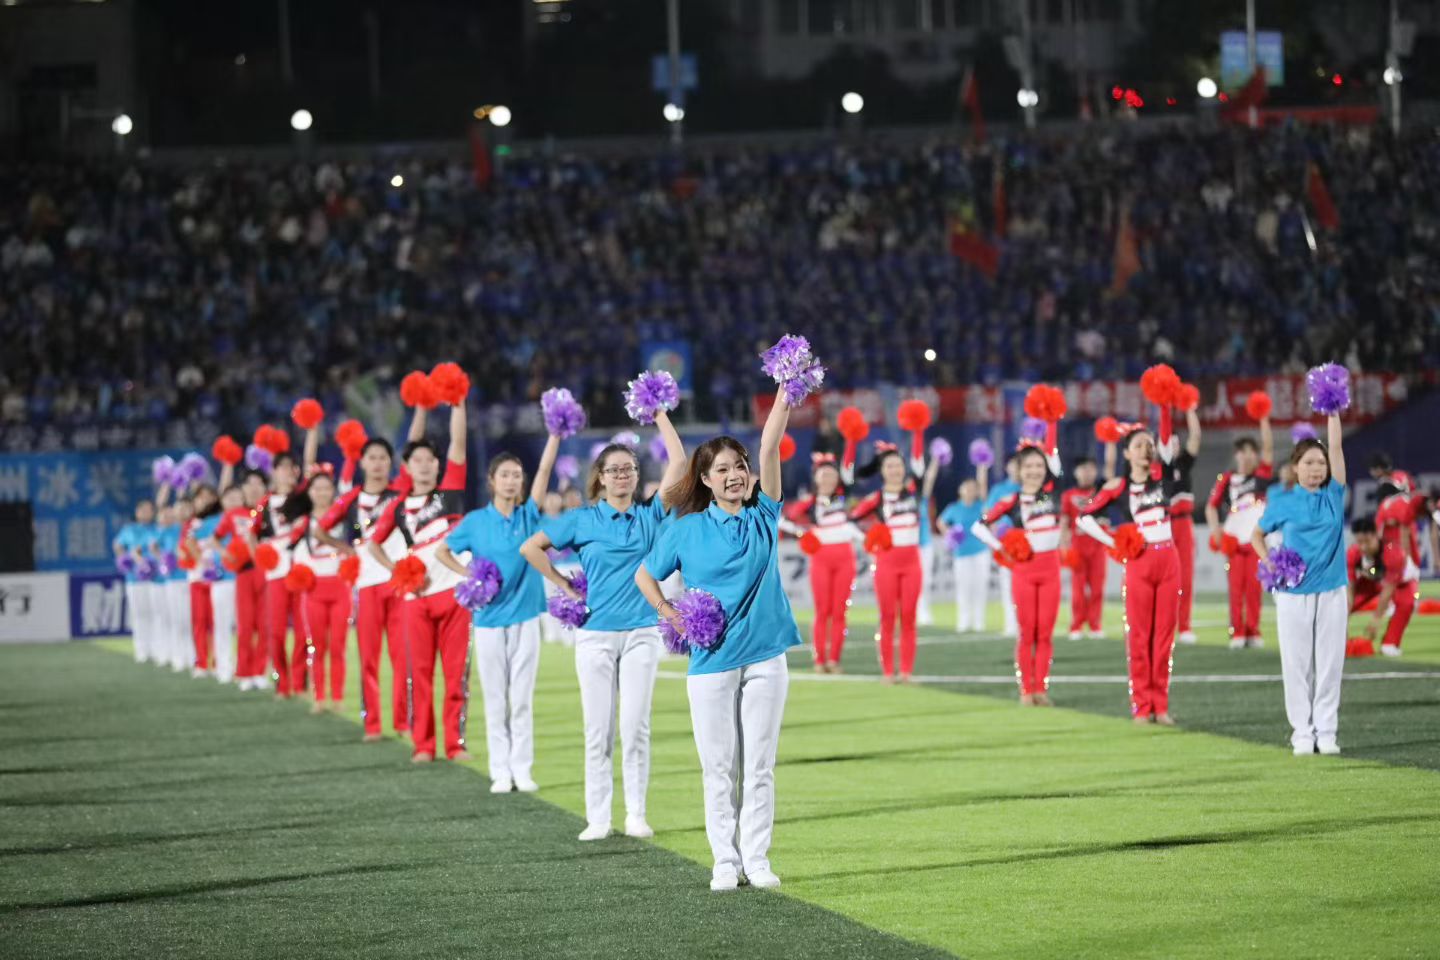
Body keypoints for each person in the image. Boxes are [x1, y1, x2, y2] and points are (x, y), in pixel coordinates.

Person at [634, 384, 800, 892]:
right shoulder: (685, 529)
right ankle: (724, 861)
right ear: (705, 479)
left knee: (760, 766)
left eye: (740, 466)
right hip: (710, 662)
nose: (735, 475)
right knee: (718, 767)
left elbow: (770, 444)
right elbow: (645, 574)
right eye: (722, 469)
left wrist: (785, 389)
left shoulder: (764, 515)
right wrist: (669, 613)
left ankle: (757, 858)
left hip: (766, 657)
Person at [519, 409, 687, 840]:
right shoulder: (582, 519)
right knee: (598, 730)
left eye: (629, 469)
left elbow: (680, 463)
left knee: (636, 727)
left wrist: (659, 414)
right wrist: (564, 585)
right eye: (614, 470)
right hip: (595, 635)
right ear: (600, 477)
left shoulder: (650, 514)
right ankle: (598, 817)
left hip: (642, 633)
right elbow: (531, 548)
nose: (622, 476)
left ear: (636, 475)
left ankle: (636, 814)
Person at [437, 436, 555, 789]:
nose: (511, 481)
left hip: (526, 617)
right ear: (491, 481)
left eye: (517, 475)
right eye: (504, 475)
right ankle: (500, 770)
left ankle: (523, 769)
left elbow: (545, 471)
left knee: (521, 699)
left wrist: (555, 435)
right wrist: (469, 575)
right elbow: (442, 551)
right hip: (488, 619)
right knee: (495, 698)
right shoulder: (475, 521)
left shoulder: (528, 516)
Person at [315, 410, 428, 740]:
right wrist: (347, 550)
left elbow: (414, 443)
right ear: (362, 462)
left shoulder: (400, 491)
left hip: (398, 584)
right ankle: (373, 724)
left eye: (383, 457)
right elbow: (320, 530)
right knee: (368, 658)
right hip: (366, 587)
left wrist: (420, 409)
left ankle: (403, 722)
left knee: (402, 657)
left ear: (392, 463)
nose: (378, 463)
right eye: (372, 457)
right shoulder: (351, 499)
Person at [368, 398, 469, 763]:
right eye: (417, 460)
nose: (424, 465)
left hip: (454, 595)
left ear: (438, 465)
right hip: (416, 599)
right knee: (418, 674)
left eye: (430, 460)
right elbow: (373, 544)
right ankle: (423, 745)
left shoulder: (450, 490)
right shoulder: (397, 506)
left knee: (456, 675)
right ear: (407, 467)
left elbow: (459, 444)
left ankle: (455, 745)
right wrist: (397, 570)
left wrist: (458, 404)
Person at [1253, 412, 1348, 755]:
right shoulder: (1283, 500)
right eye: (1308, 463)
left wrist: (1333, 412)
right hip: (1293, 594)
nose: (1316, 468)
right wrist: (1271, 563)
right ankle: (1302, 733)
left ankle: (1327, 731)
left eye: (1320, 463)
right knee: (1296, 665)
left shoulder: (1333, 493)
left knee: (1330, 664)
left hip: (1332, 590)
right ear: (1295, 467)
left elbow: (1335, 445)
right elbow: (1256, 535)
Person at [1077, 425, 1182, 724]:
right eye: (1138, 445)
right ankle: (1141, 706)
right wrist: (1113, 541)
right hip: (1139, 560)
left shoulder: (1163, 478)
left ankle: (1161, 706)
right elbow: (1084, 517)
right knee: (1139, 635)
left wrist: (1165, 407)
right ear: (1126, 453)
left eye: (1149, 444)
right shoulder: (1117, 486)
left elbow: (1167, 440)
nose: (1145, 450)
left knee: (1164, 636)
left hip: (1169, 559)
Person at [970, 442, 1064, 705]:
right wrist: (1002, 548)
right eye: (1029, 466)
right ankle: (1026, 690)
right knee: (1027, 632)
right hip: (1024, 570)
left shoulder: (1052, 493)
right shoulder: (1011, 500)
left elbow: (1054, 457)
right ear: (1019, 471)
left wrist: (1050, 425)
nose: (1034, 471)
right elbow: (979, 527)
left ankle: (1041, 689)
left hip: (1051, 569)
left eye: (1039, 465)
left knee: (1045, 633)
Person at [850, 446, 940, 683]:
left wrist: (918, 435)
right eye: (889, 466)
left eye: (898, 465)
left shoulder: (914, 492)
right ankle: (888, 672)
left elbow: (920, 464)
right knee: (888, 617)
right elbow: (850, 521)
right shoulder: (876, 499)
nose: (895, 470)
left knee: (909, 617)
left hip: (912, 563)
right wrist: (870, 539)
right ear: (882, 470)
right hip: (887, 563)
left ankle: (907, 671)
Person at [252, 424, 319, 696]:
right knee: (276, 631)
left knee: (304, 631)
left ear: (296, 471)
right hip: (276, 574)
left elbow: (311, 465)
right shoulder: (265, 503)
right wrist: (260, 557)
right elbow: (252, 534)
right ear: (274, 471)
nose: (287, 472)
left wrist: (312, 431)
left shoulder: (302, 496)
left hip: (302, 571)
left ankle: (299, 681)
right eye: (281, 468)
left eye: (291, 467)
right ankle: (282, 681)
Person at [781, 454, 861, 672]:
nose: (828, 479)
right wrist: (804, 534)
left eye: (832, 475)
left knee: (839, 611)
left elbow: (848, 468)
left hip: (845, 559)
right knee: (822, 610)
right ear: (816, 478)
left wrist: (851, 442)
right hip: (821, 560)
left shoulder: (843, 497)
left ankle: (834, 660)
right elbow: (783, 520)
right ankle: (819, 660)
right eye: (823, 475)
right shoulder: (809, 503)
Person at [1206, 416, 1274, 649]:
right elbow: (1210, 506)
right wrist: (1215, 531)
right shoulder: (1226, 479)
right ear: (1236, 455)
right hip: (1233, 540)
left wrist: (1263, 418)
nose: (1246, 456)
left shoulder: (1261, 476)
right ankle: (1237, 633)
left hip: (1255, 540)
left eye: (1250, 452)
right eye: (1242, 452)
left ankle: (1253, 631)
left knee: (1254, 588)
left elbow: (1268, 448)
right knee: (1235, 589)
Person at [289, 468, 352, 713]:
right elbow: (293, 553)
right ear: (310, 492)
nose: (322, 493)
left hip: (340, 588)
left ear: (333, 491)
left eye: (327, 488)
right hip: (313, 589)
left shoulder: (344, 518)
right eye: (317, 488)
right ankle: (319, 697)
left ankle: (337, 697)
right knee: (316, 646)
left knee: (338, 645)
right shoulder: (303, 523)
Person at [215, 470, 270, 691]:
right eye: (250, 483)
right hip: (244, 573)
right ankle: (245, 673)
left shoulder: (270, 511)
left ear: (265, 488)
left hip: (267, 572)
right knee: (245, 625)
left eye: (259, 483)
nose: (254, 488)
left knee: (265, 625)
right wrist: (225, 553)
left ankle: (260, 671)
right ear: (243, 489)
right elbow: (215, 538)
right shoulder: (234, 514)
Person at [1348, 517, 1417, 658]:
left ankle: (1390, 643)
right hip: (1373, 580)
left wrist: (1376, 619)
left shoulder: (1392, 551)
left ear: (1376, 536)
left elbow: (1388, 590)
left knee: (1407, 602)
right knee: (1339, 605)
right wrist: (1343, 617)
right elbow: (1349, 589)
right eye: (1359, 542)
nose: (1363, 547)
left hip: (1401, 582)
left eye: (1367, 541)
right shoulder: (1353, 553)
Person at [1060, 457, 1107, 641]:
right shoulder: (1068, 495)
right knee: (1078, 589)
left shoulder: (1103, 492)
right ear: (1076, 472)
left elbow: (1111, 468)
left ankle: (1095, 625)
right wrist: (1064, 546)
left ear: (1096, 471)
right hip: (1078, 547)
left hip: (1098, 547)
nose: (1087, 473)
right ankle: (1076, 625)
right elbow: (1064, 522)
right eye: (1083, 469)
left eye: (1090, 469)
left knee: (1097, 588)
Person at [1168, 407, 1202, 644]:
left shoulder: (1183, 463)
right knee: (1165, 578)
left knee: (1186, 576)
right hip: (1162, 525)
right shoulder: (1154, 469)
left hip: (1183, 524)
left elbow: (1196, 437)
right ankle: (1166, 625)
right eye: (1168, 443)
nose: (1173, 446)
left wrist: (1189, 409)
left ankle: (1185, 626)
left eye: (1175, 442)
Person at [938, 474, 990, 633]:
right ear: (960, 490)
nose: (969, 491)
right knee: (963, 587)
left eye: (973, 488)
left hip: (980, 551)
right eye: (967, 488)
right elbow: (940, 522)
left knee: (980, 587)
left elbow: (983, 486)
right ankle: (964, 620)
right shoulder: (954, 508)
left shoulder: (981, 505)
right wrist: (949, 534)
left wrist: (982, 469)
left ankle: (979, 621)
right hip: (961, 554)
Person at [113, 499, 158, 664]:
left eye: (149, 510)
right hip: (134, 578)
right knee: (139, 614)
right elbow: (117, 545)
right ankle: (141, 650)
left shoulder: (157, 529)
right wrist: (123, 558)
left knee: (155, 614)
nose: (146, 513)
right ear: (137, 512)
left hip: (154, 577)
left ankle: (156, 649)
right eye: (143, 510)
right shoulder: (129, 529)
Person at [986, 454, 1022, 638]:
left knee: (1025, 585)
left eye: (1019, 465)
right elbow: (987, 514)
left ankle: (1026, 623)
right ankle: (1011, 624)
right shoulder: (999, 490)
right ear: (1007, 467)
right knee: (1007, 584)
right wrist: (994, 534)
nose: (1016, 468)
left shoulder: (1029, 488)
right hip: (1006, 543)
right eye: (1013, 465)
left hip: (1027, 542)